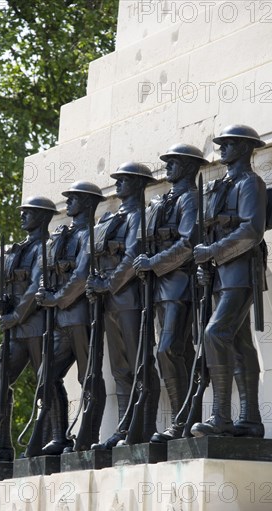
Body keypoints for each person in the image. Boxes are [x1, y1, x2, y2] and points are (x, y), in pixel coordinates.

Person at [191, 124, 267, 438]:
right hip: (221, 274)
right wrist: (205, 259)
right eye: (222, 143)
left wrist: (213, 252)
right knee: (239, 343)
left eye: (229, 143)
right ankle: (250, 420)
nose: (222, 148)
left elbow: (251, 230)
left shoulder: (250, 183)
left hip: (241, 271)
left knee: (215, 333)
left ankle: (220, 416)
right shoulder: (220, 186)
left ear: (245, 148)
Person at [0, 196, 58, 463]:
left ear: (41, 218)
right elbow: (9, 284)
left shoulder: (46, 247)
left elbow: (36, 286)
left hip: (36, 325)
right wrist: (2, 303)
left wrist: (16, 314)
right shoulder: (18, 249)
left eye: (27, 213)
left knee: (47, 384)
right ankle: (1, 444)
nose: (22, 217)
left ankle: (52, 439)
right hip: (16, 330)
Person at [133, 144, 209, 442]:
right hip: (160, 289)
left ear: (189, 167)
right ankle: (187, 419)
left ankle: (182, 420)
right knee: (175, 352)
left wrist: (153, 263)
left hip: (180, 284)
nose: (167, 166)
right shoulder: (163, 201)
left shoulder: (189, 199)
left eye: (174, 162)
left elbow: (189, 243)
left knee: (168, 350)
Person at [87, 162, 161, 449]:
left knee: (140, 362)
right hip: (110, 301)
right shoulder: (110, 218)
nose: (117, 183)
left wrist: (109, 283)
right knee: (119, 369)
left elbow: (132, 255)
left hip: (130, 299)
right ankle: (124, 426)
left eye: (124, 179)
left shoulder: (138, 216)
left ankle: (145, 425)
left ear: (138, 184)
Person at [35, 181, 106, 455]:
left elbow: (81, 276)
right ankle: (59, 435)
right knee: (46, 375)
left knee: (88, 377)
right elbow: (47, 268)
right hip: (59, 319)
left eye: (74, 198)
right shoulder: (63, 235)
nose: (69, 202)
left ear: (87, 203)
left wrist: (57, 298)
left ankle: (89, 435)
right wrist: (45, 291)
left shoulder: (90, 234)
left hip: (80, 315)